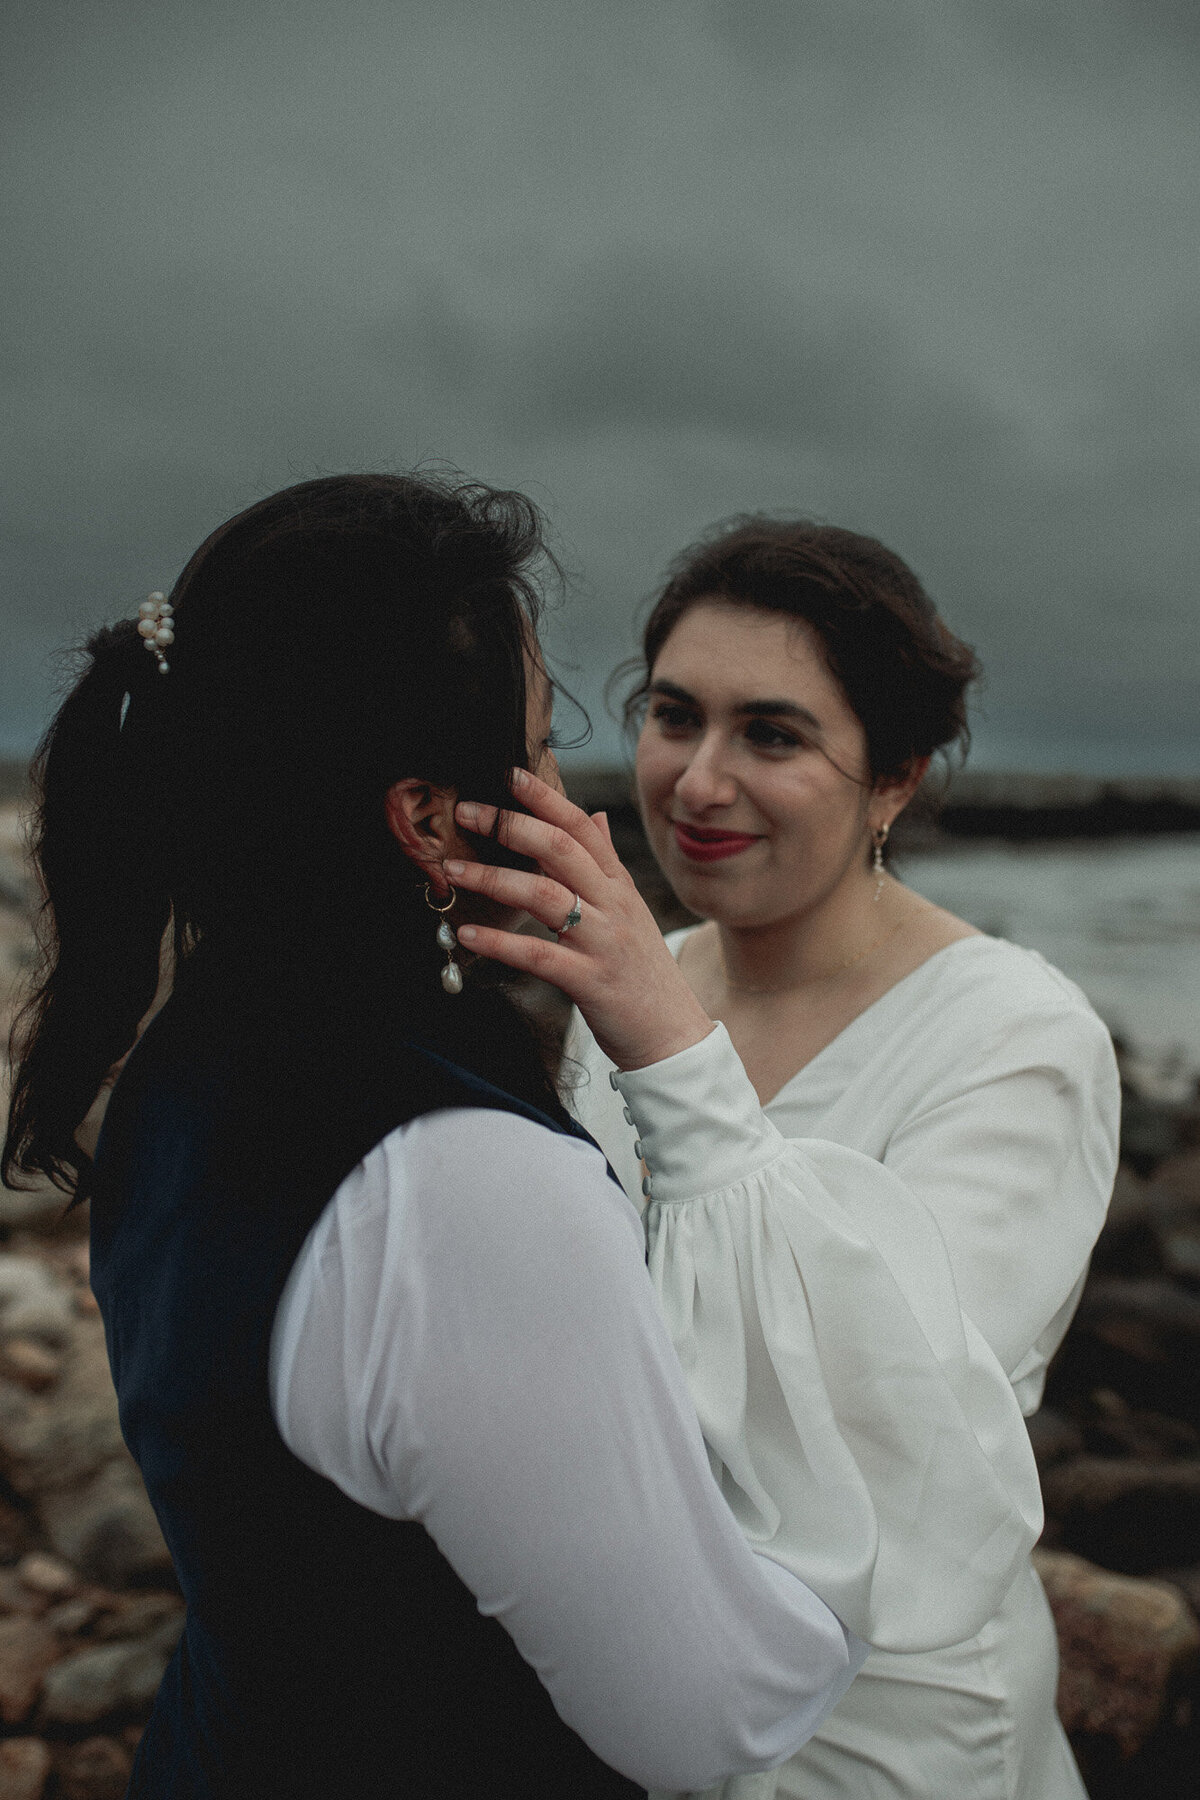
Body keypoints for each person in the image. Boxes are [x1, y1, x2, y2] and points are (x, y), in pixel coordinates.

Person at [1, 478, 878, 1800]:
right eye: (537, 750)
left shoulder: (185, 1062)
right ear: (429, 819)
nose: (572, 804)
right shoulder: (463, 1187)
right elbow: (712, 1718)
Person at [444, 518, 1120, 1800]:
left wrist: (665, 1049)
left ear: (896, 778)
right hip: (642, 1680)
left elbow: (901, 1429)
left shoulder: (1016, 1038)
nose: (697, 782)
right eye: (673, 714)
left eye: (773, 734)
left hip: (886, 1721)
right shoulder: (641, 984)